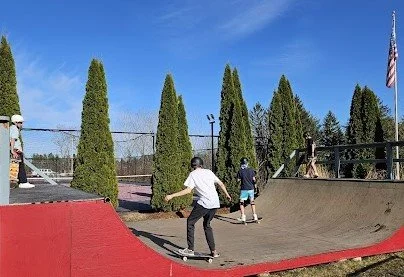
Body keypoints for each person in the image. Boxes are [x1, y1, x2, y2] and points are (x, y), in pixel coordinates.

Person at [165, 157, 231, 258]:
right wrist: (227, 194)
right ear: (201, 164)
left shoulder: (193, 174)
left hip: (205, 203)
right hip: (215, 203)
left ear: (192, 165)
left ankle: (190, 249)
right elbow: (221, 183)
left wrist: (172, 195)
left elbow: (188, 190)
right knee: (207, 225)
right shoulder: (209, 172)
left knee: (190, 222)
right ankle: (214, 251)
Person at [10, 115, 35, 188]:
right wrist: (12, 150)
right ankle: (23, 182)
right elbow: (12, 139)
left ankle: (20, 181)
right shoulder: (14, 129)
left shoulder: (11, 128)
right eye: (20, 122)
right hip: (16, 151)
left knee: (16, 167)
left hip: (15, 150)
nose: (21, 124)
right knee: (20, 167)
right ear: (16, 122)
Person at [236, 157, 258, 223]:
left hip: (244, 189)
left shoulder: (240, 171)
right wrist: (255, 187)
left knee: (241, 202)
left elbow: (238, 180)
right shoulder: (251, 170)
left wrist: (240, 177)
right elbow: (254, 180)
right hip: (251, 188)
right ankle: (255, 216)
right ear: (247, 163)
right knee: (252, 202)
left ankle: (243, 217)